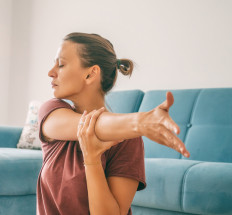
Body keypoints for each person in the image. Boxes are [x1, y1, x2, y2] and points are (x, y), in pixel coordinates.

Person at [36, 32, 190, 215]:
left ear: (90, 74)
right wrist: (140, 122)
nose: (50, 72)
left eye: (61, 64)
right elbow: (88, 126)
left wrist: (92, 160)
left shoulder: (128, 141)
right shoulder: (51, 111)